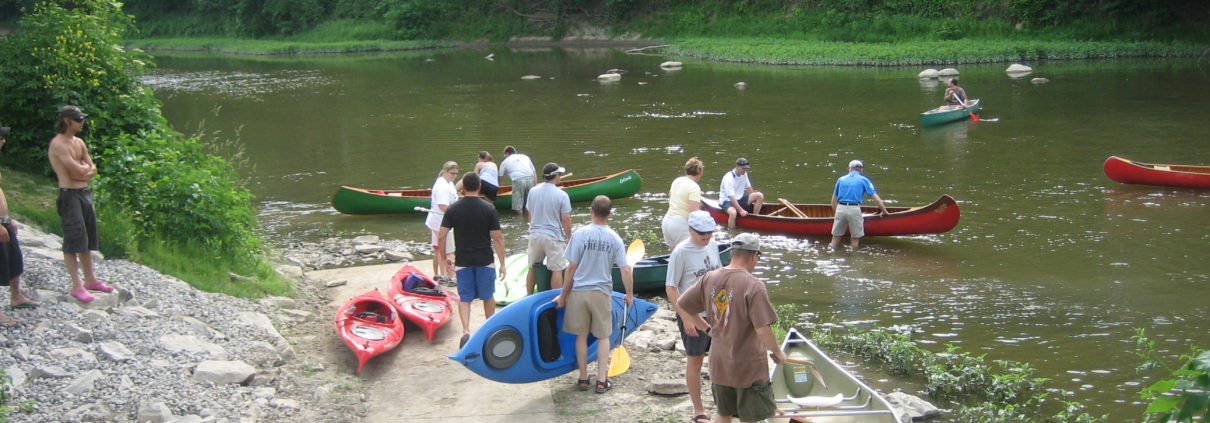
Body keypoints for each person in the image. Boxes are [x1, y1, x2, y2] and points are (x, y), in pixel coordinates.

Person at [676, 233, 787, 423]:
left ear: (733, 253)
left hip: (719, 363)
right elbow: (763, 329)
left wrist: (707, 329)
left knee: (723, 412)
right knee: (751, 417)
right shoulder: (753, 285)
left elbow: (682, 304)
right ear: (753, 256)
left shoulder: (709, 277)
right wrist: (777, 352)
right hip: (748, 367)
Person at [556, 195, 634, 394]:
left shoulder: (580, 234)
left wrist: (563, 296)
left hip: (579, 292)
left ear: (591, 211)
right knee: (603, 337)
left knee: (581, 336)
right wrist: (630, 294)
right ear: (609, 214)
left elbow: (571, 268)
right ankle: (601, 380)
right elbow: (625, 269)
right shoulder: (614, 238)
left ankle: (583, 378)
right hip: (601, 292)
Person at [47, 106, 113, 303]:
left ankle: (90, 279)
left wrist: (85, 170)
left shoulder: (80, 142)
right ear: (67, 121)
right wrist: (85, 170)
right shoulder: (58, 144)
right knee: (74, 239)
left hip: (85, 193)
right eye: (78, 119)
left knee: (87, 239)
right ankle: (76, 285)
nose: (82, 122)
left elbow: (93, 169)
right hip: (69, 195)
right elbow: (78, 171)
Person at [664, 210, 723, 423]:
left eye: (709, 232)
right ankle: (699, 409)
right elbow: (671, 288)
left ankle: (722, 405)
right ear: (690, 230)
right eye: (702, 233)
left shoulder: (714, 245)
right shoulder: (681, 252)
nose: (706, 237)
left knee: (720, 359)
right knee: (696, 360)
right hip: (692, 313)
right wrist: (686, 317)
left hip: (716, 313)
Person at [437, 172, 507, 348]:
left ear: (464, 188)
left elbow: (441, 236)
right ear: (479, 187)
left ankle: (466, 331)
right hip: (484, 258)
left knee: (465, 298)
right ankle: (489, 329)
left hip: (463, 259)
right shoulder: (489, 208)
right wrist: (503, 263)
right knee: (488, 296)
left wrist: (444, 257)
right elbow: (497, 238)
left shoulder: (453, 209)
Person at [1, 126, 41, 324]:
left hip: (3, 221)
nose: (3, 141)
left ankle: (16, 296)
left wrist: (8, 219)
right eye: (1, 138)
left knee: (14, 259)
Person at [524, 163, 572, 295]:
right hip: (553, 237)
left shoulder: (533, 191)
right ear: (555, 176)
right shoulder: (562, 195)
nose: (560, 176)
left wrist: (533, 228)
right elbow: (566, 219)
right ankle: (556, 299)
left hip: (535, 234)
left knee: (532, 267)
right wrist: (569, 237)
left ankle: (529, 296)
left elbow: (530, 213)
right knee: (556, 269)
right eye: (559, 174)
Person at [830, 160, 889, 250]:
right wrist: (884, 211)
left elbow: (833, 201)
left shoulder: (841, 179)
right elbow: (876, 199)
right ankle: (854, 259)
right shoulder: (864, 180)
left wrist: (836, 214)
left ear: (849, 169)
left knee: (835, 237)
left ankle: (831, 254)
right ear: (861, 170)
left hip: (840, 208)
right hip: (854, 209)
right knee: (855, 238)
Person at [426, 161, 460, 282]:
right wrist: (458, 214)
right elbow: (442, 206)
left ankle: (442, 275)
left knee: (440, 249)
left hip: (437, 221)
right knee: (448, 250)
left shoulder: (447, 182)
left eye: (456, 173)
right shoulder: (442, 186)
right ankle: (452, 277)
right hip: (441, 221)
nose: (454, 176)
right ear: (445, 171)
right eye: (452, 173)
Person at [661, 157, 704, 249]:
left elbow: (671, 197)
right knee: (690, 252)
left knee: (674, 256)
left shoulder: (677, 180)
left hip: (667, 220)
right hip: (680, 224)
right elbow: (694, 213)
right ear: (699, 171)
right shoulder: (694, 187)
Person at [719, 158, 764, 230]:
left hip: (739, 198)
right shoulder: (728, 178)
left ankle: (755, 218)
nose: (745, 170)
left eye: (746, 169)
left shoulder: (744, 174)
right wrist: (741, 210)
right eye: (743, 168)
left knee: (759, 195)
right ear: (737, 166)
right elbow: (731, 197)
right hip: (727, 201)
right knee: (733, 213)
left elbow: (749, 188)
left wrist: (754, 200)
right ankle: (732, 232)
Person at [498, 146, 536, 215]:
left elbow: (500, 177)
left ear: (506, 153)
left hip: (518, 180)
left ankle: (520, 222)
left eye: (504, 154)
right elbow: (534, 172)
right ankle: (528, 219)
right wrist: (535, 186)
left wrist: (497, 189)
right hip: (530, 178)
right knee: (529, 204)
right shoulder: (525, 157)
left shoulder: (504, 162)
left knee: (518, 206)